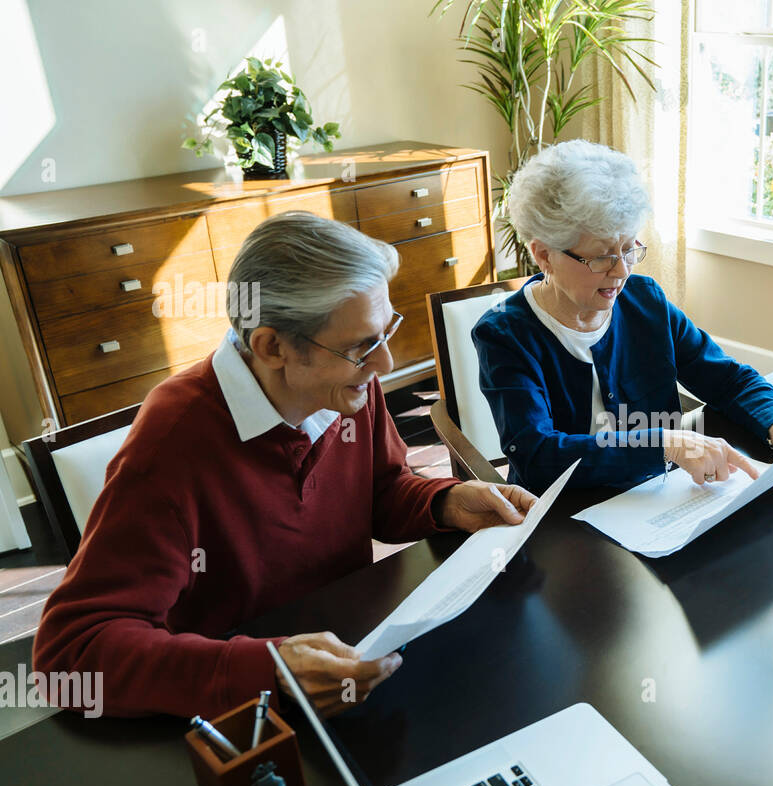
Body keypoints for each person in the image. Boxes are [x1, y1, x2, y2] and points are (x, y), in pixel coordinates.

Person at [34, 212, 537, 719]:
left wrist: (445, 501)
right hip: (238, 719)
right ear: (272, 347)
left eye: (384, 333)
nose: (385, 364)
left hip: (345, 663)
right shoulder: (169, 447)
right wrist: (266, 670)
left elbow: (380, 491)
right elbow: (71, 655)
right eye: (362, 345)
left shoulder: (347, 387)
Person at [472, 139, 773, 491]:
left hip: (656, 497)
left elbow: (729, 380)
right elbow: (538, 456)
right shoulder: (504, 335)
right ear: (544, 255)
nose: (621, 271)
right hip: (561, 516)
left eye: (628, 249)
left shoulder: (646, 300)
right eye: (601, 257)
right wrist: (666, 443)